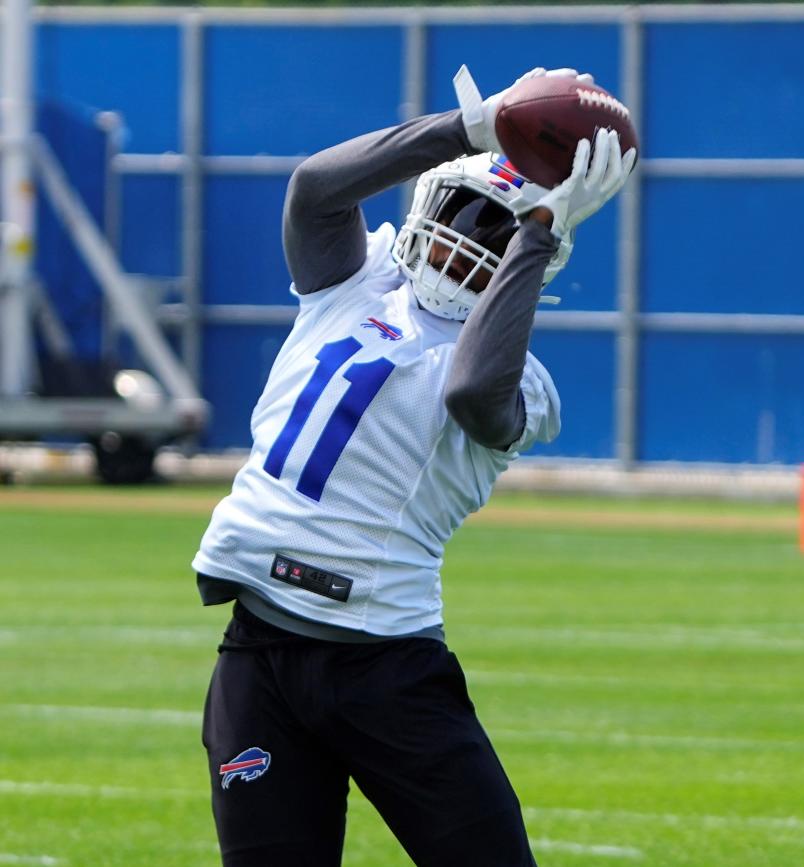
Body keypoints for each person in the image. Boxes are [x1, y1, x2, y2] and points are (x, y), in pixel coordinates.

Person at [192, 64, 636, 867]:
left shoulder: (520, 380)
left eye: (495, 229)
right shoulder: (356, 282)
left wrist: (536, 232)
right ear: (427, 202)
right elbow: (313, 188)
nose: (469, 237)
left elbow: (470, 392)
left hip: (388, 666)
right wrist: (471, 126)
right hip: (260, 655)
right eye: (461, 208)